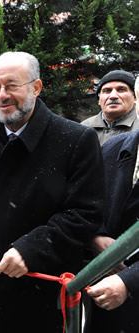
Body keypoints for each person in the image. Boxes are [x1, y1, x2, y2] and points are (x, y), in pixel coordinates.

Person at [0, 51, 104, 332]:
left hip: (43, 292)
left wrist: (31, 249)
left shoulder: (76, 139)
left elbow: (85, 213)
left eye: (11, 85)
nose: (1, 95)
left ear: (36, 87)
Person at [84, 129, 139, 333]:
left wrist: (130, 280)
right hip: (105, 299)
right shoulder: (112, 148)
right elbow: (88, 203)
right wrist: (95, 236)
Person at [81, 70, 139, 145]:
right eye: (107, 90)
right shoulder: (84, 128)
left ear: (135, 98)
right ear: (99, 100)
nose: (113, 96)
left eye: (121, 89)